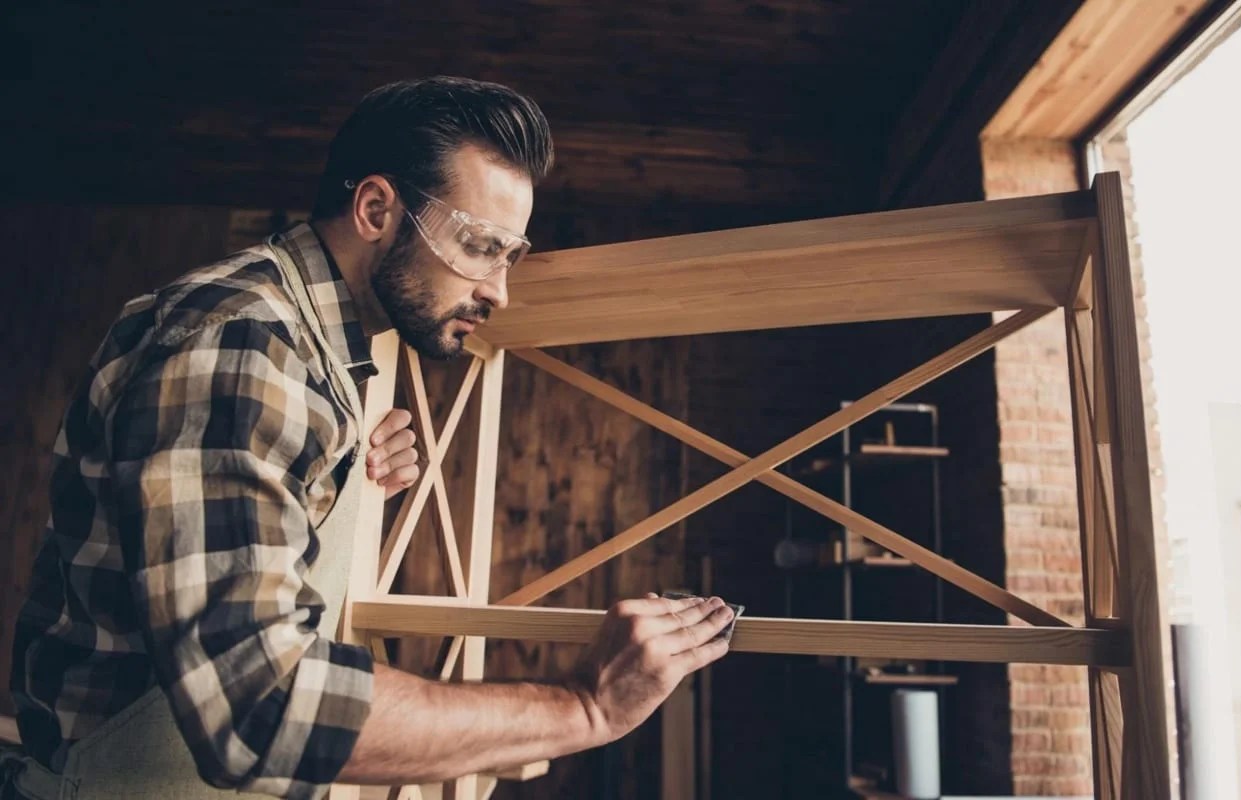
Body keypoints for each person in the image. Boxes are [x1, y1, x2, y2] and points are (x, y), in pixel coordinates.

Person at [3, 76, 734, 799]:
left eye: (510, 255)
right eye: (481, 245)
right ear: (378, 209)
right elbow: (258, 708)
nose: (499, 290)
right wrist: (585, 706)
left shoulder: (312, 354)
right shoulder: (244, 342)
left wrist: (335, 472)